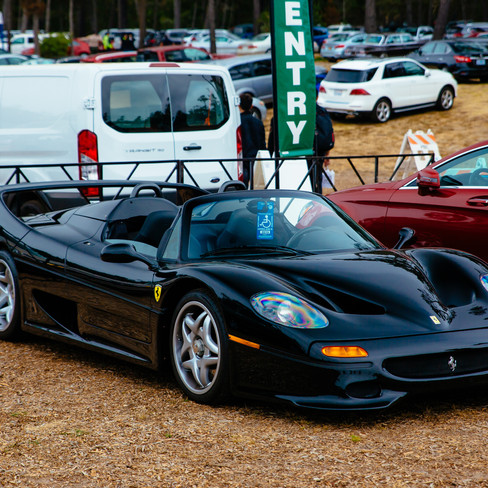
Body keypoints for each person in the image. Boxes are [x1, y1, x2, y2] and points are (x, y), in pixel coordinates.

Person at [239, 93, 267, 187]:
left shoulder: (237, 123)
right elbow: (262, 143)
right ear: (251, 106)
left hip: (242, 158)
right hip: (255, 157)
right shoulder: (258, 122)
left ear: (239, 106)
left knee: (243, 185)